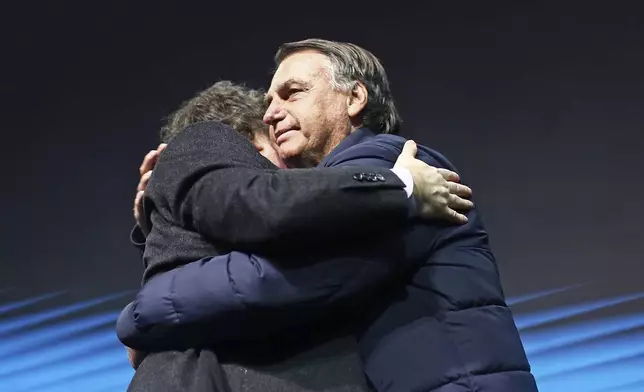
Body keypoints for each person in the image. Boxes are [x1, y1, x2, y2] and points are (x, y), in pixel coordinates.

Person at [119, 80, 474, 391]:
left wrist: (143, 313)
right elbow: (265, 210)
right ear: (252, 144)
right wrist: (404, 186)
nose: (292, 160)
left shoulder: (376, 160)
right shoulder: (208, 139)